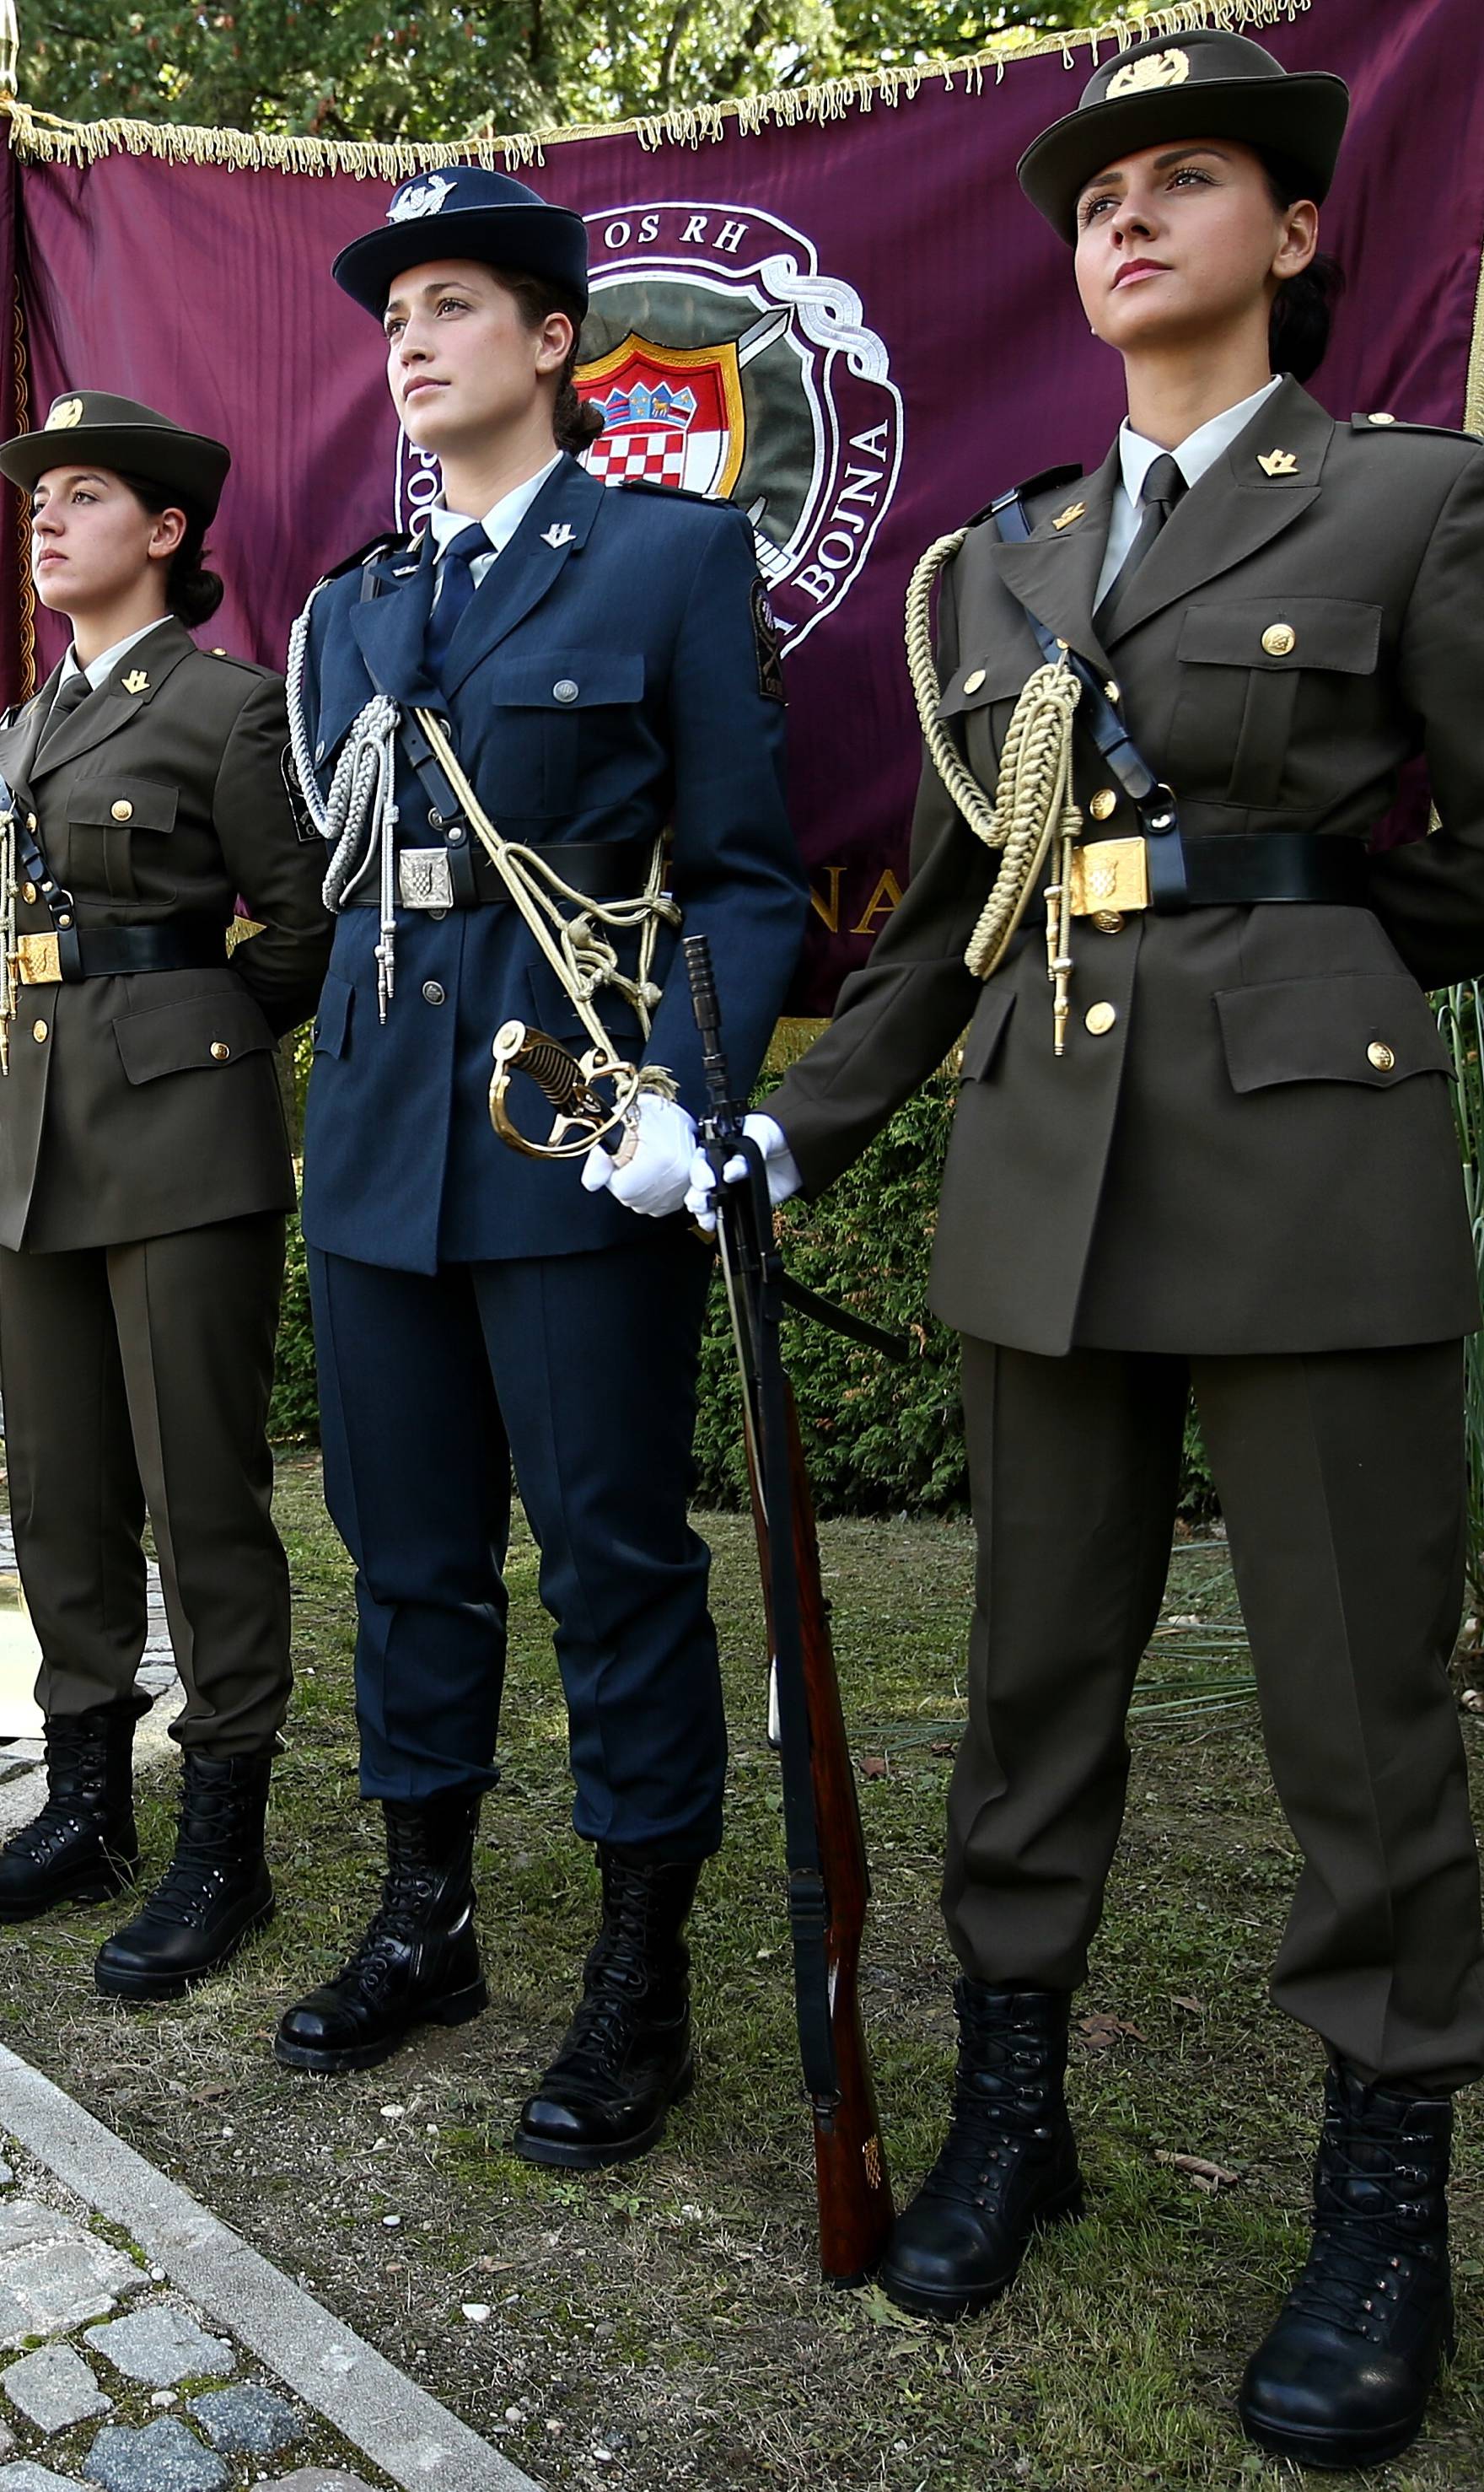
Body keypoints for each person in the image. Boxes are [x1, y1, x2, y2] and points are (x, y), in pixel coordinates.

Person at [664, 29, 1484, 2473]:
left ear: (1295, 236)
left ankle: (1380, 2194)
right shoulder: (1002, 556)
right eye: (1099, 193)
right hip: (1044, 1166)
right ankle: (1015, 2106)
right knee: (1030, 1676)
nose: (1130, 219)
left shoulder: (1410, 500)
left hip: (1309, 1168)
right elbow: (964, 913)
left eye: (1189, 181)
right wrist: (796, 1128)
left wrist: (1309, 955)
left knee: (1355, 1720)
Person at [272, 169, 807, 2174]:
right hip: (380, 1151)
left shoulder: (662, 560)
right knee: (406, 1562)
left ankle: (637, 1972)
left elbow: (747, 888)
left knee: (611, 1566)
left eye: (457, 305)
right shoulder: (356, 609)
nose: (410, 341)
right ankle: (431, 1915)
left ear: (557, 341)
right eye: (392, 313)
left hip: (576, 1152)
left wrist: (683, 1092)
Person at [0, 391, 331, 1998]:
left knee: (201, 1495)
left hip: (181, 1142)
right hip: (32, 1142)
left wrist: (195, 1049)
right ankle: (85, 1802)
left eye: (81, 496)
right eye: (37, 498)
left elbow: (302, 928)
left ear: (168, 531)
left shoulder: (226, 710)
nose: (46, 519)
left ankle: (224, 1837)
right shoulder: (23, 727)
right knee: (59, 1490)